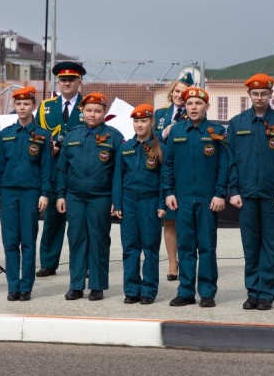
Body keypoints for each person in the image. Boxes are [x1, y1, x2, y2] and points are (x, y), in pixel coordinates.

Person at [227, 73, 274, 311]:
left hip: (271, 196)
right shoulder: (237, 123)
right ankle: (252, 292)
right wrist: (234, 190)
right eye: (255, 94)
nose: (259, 97)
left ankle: (267, 292)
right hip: (246, 195)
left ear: (270, 95)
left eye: (264, 94)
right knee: (250, 245)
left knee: (270, 245)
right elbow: (231, 161)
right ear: (249, 95)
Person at [162, 86, 229, 308]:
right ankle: (186, 291)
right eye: (189, 104)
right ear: (185, 107)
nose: (193, 107)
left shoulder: (216, 131)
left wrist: (220, 194)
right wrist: (168, 192)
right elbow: (168, 165)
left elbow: (224, 166)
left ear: (206, 107)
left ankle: (207, 292)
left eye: (198, 104)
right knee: (185, 246)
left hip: (207, 200)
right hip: (181, 199)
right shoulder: (176, 132)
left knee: (207, 246)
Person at [56, 92, 124, 302]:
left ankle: (97, 285)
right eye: (88, 110)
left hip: (100, 197)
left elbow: (118, 173)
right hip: (75, 196)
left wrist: (116, 199)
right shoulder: (72, 135)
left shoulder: (113, 136)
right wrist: (60, 195)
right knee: (76, 239)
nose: (92, 115)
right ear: (81, 112)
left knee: (99, 240)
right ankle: (76, 285)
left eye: (97, 111)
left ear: (104, 113)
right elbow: (62, 169)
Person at [0, 86, 53, 302]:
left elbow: (47, 167)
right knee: (10, 242)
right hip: (7, 193)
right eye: (18, 104)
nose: (22, 108)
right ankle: (12, 287)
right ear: (14, 106)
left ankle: (26, 287)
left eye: (26, 104)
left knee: (27, 242)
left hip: (30, 194)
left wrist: (45, 193)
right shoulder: (5, 134)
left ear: (33, 106)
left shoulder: (43, 136)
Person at [35, 61, 86, 278]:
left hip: (79, 172)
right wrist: (48, 146)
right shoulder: (46, 106)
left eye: (71, 79)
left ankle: (83, 264)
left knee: (79, 224)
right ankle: (48, 262)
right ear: (58, 81)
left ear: (79, 82)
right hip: (54, 171)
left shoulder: (89, 105)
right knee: (52, 220)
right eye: (63, 80)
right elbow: (37, 135)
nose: (67, 83)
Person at [112, 104, 167, 305]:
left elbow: (165, 179)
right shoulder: (125, 148)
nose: (139, 125)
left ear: (152, 122)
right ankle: (132, 289)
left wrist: (162, 203)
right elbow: (117, 177)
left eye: (143, 121)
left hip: (150, 202)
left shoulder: (161, 149)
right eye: (136, 121)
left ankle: (149, 290)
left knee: (150, 247)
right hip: (128, 203)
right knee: (130, 247)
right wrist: (116, 202)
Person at [153, 72, 192, 282]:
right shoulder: (160, 114)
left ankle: (187, 260)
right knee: (169, 220)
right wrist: (164, 133)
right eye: (177, 91)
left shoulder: (193, 112)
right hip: (164, 172)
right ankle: (172, 262)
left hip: (185, 172)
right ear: (171, 92)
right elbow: (152, 140)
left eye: (184, 92)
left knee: (186, 220)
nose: (179, 95)